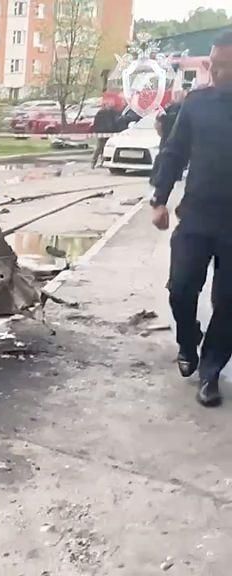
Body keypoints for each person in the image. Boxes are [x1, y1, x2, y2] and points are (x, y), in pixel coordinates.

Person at [150, 30, 232, 407]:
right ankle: (188, 340)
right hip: (197, 215)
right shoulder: (197, 105)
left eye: (224, 65)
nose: (216, 71)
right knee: (181, 288)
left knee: (230, 303)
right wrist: (159, 199)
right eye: (213, 64)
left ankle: (210, 372)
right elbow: (174, 152)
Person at [90, 102, 119, 168]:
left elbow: (116, 121)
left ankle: (103, 162)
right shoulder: (101, 113)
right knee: (99, 147)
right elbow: (96, 122)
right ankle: (93, 163)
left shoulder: (113, 112)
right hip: (102, 132)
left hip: (110, 132)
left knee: (105, 148)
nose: (109, 106)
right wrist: (97, 130)